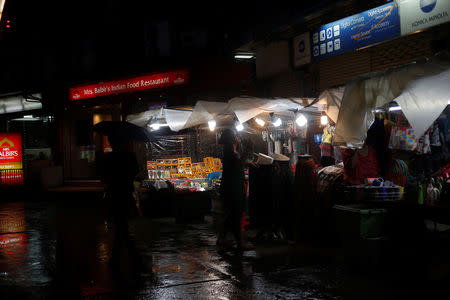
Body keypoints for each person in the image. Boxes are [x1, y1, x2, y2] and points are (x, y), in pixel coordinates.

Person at [100, 134, 141, 270]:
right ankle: (131, 256)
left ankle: (122, 256)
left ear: (111, 143)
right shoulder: (130, 156)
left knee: (120, 225)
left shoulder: (108, 158)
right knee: (123, 225)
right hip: (125, 193)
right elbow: (136, 172)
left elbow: (103, 177)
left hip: (114, 194)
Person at [216, 128, 256, 250]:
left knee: (230, 214)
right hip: (232, 187)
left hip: (232, 186)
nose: (238, 136)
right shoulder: (229, 151)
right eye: (235, 134)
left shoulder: (232, 151)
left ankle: (221, 239)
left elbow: (237, 163)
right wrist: (248, 150)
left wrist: (248, 162)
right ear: (231, 139)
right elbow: (238, 164)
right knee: (236, 214)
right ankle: (240, 242)